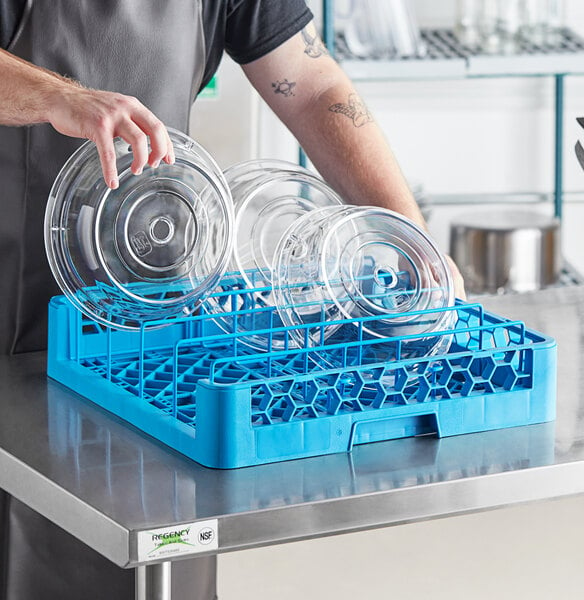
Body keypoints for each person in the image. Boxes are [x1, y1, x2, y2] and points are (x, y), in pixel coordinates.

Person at [0, 1, 464, 599]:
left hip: (150, 330)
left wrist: (408, 235)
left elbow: (312, 82)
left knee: (156, 550)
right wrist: (58, 97)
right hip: (12, 320)